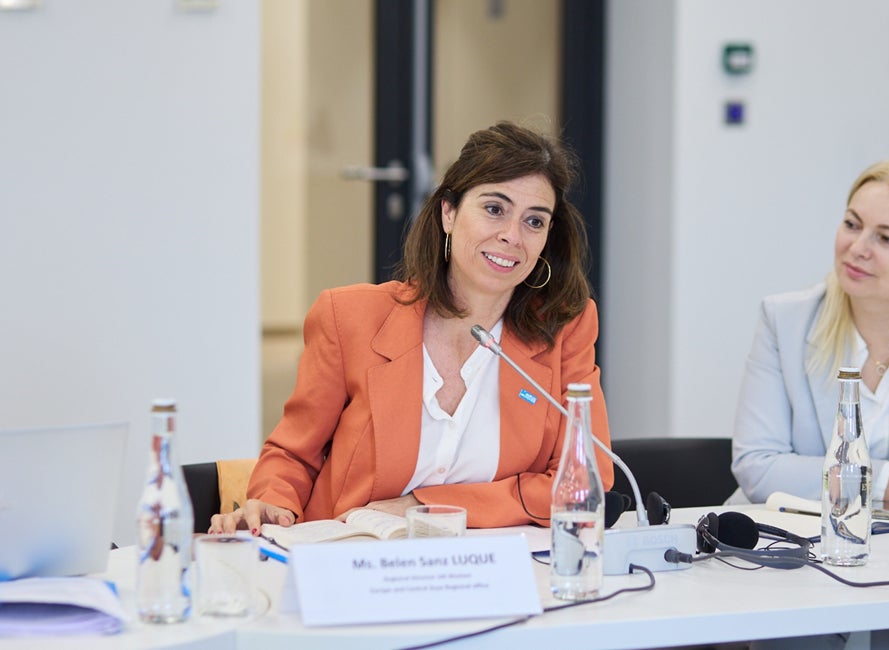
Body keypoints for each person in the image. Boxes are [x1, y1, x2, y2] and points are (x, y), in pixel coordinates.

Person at [210, 121, 613, 535]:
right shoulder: (349, 317)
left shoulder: (565, 327)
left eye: (534, 221)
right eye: (495, 209)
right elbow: (294, 455)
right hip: (352, 559)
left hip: (494, 570)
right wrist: (274, 505)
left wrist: (424, 506)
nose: (513, 236)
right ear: (448, 213)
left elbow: (584, 479)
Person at [731, 160, 889, 650]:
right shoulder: (786, 320)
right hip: (799, 558)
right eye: (852, 224)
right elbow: (758, 467)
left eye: (887, 238)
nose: (857, 248)